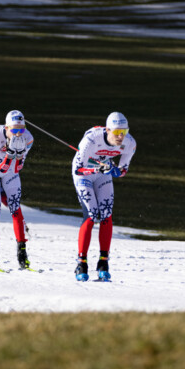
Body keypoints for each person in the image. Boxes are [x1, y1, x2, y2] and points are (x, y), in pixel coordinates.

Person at [71, 112, 137, 282]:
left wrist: (116, 171)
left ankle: (103, 263)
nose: (120, 136)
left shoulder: (129, 143)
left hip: (103, 173)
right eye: (116, 132)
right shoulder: (91, 140)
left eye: (124, 131)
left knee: (106, 214)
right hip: (85, 174)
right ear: (107, 130)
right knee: (92, 214)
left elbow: (123, 170)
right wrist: (98, 169)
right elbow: (79, 169)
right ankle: (81, 263)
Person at [0, 110, 34, 269]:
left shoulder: (28, 138)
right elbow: (0, 167)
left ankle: (22, 253)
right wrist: (9, 154)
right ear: (6, 127)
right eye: (14, 129)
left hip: (11, 168)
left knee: (16, 208)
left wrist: (17, 156)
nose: (18, 133)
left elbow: (18, 168)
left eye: (21, 129)